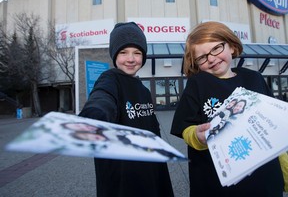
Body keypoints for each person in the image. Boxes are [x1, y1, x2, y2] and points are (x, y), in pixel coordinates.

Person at [170, 21, 285, 197]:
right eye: (202, 57)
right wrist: (197, 136)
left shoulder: (254, 78)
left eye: (216, 48)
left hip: (265, 180)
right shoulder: (197, 84)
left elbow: (275, 129)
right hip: (217, 183)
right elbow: (185, 126)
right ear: (196, 62)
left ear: (231, 46)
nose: (211, 58)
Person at [79, 22, 174, 197]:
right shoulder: (110, 79)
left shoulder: (144, 90)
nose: (131, 59)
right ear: (114, 54)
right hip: (122, 177)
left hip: (151, 169)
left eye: (137, 53)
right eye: (123, 52)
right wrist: (95, 114)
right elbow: (102, 97)